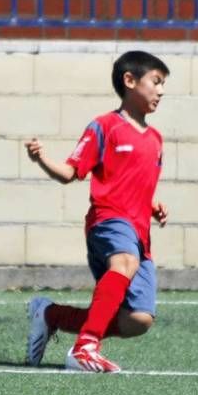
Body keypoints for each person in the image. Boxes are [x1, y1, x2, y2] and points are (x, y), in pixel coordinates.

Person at [24, 50, 170, 373]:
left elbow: (135, 185)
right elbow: (69, 172)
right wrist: (41, 159)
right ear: (129, 81)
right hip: (108, 221)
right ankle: (85, 347)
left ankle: (50, 315)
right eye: (156, 82)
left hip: (138, 231)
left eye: (163, 85)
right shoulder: (104, 127)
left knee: (138, 320)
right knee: (125, 262)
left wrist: (151, 206)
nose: (161, 91)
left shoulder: (156, 140)